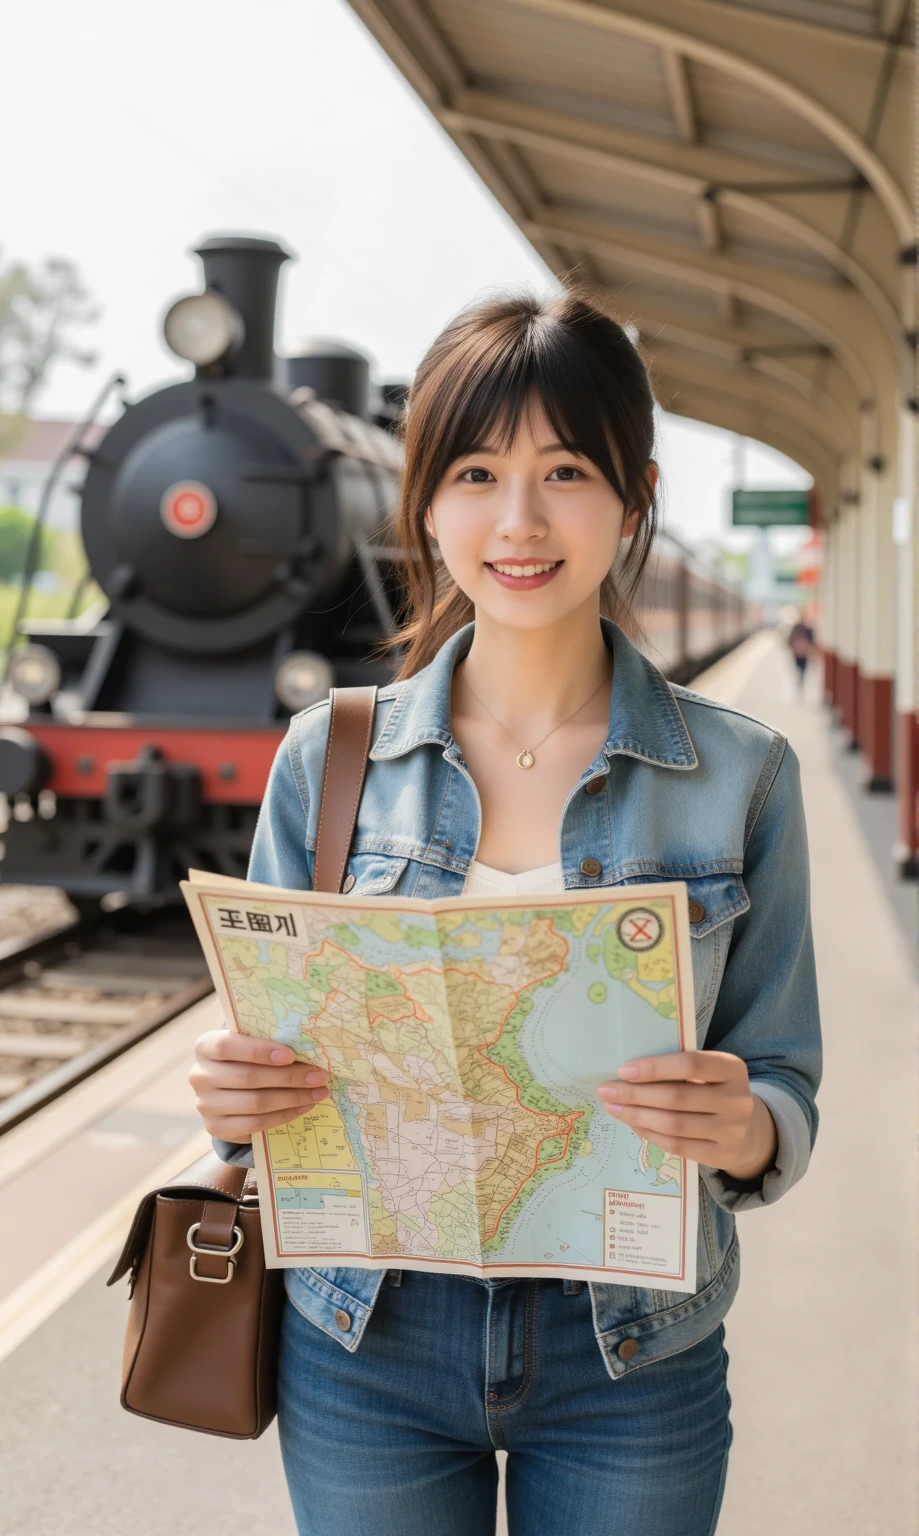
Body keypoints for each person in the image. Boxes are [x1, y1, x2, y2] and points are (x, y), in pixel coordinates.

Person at [189, 291, 821, 1536]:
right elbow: (260, 1054)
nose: (519, 520)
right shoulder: (329, 760)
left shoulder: (744, 776)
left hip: (632, 1352)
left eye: (566, 471)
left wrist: (743, 1122)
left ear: (634, 495)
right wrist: (229, 1097)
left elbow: (786, 1083)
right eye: (476, 472)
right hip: (366, 1338)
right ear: (425, 500)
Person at [787, 616, 815, 690]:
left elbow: (811, 642)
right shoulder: (799, 629)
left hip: (802, 655)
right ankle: (800, 680)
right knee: (799, 668)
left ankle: (800, 680)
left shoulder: (806, 630)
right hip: (798, 655)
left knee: (801, 668)